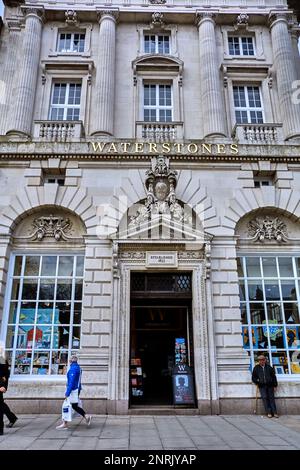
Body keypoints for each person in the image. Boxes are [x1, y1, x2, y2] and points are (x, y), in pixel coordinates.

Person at [56, 355, 91, 430]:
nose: (69, 361)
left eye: (70, 360)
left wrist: (67, 393)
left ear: (71, 361)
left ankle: (64, 424)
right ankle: (86, 416)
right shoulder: (78, 368)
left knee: (65, 405)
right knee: (74, 406)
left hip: (73, 390)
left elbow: (71, 382)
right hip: (76, 389)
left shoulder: (73, 369)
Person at [0, 347, 18, 428]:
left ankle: (12, 418)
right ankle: (12, 418)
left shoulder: (2, 359)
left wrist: (3, 386)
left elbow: (4, 375)